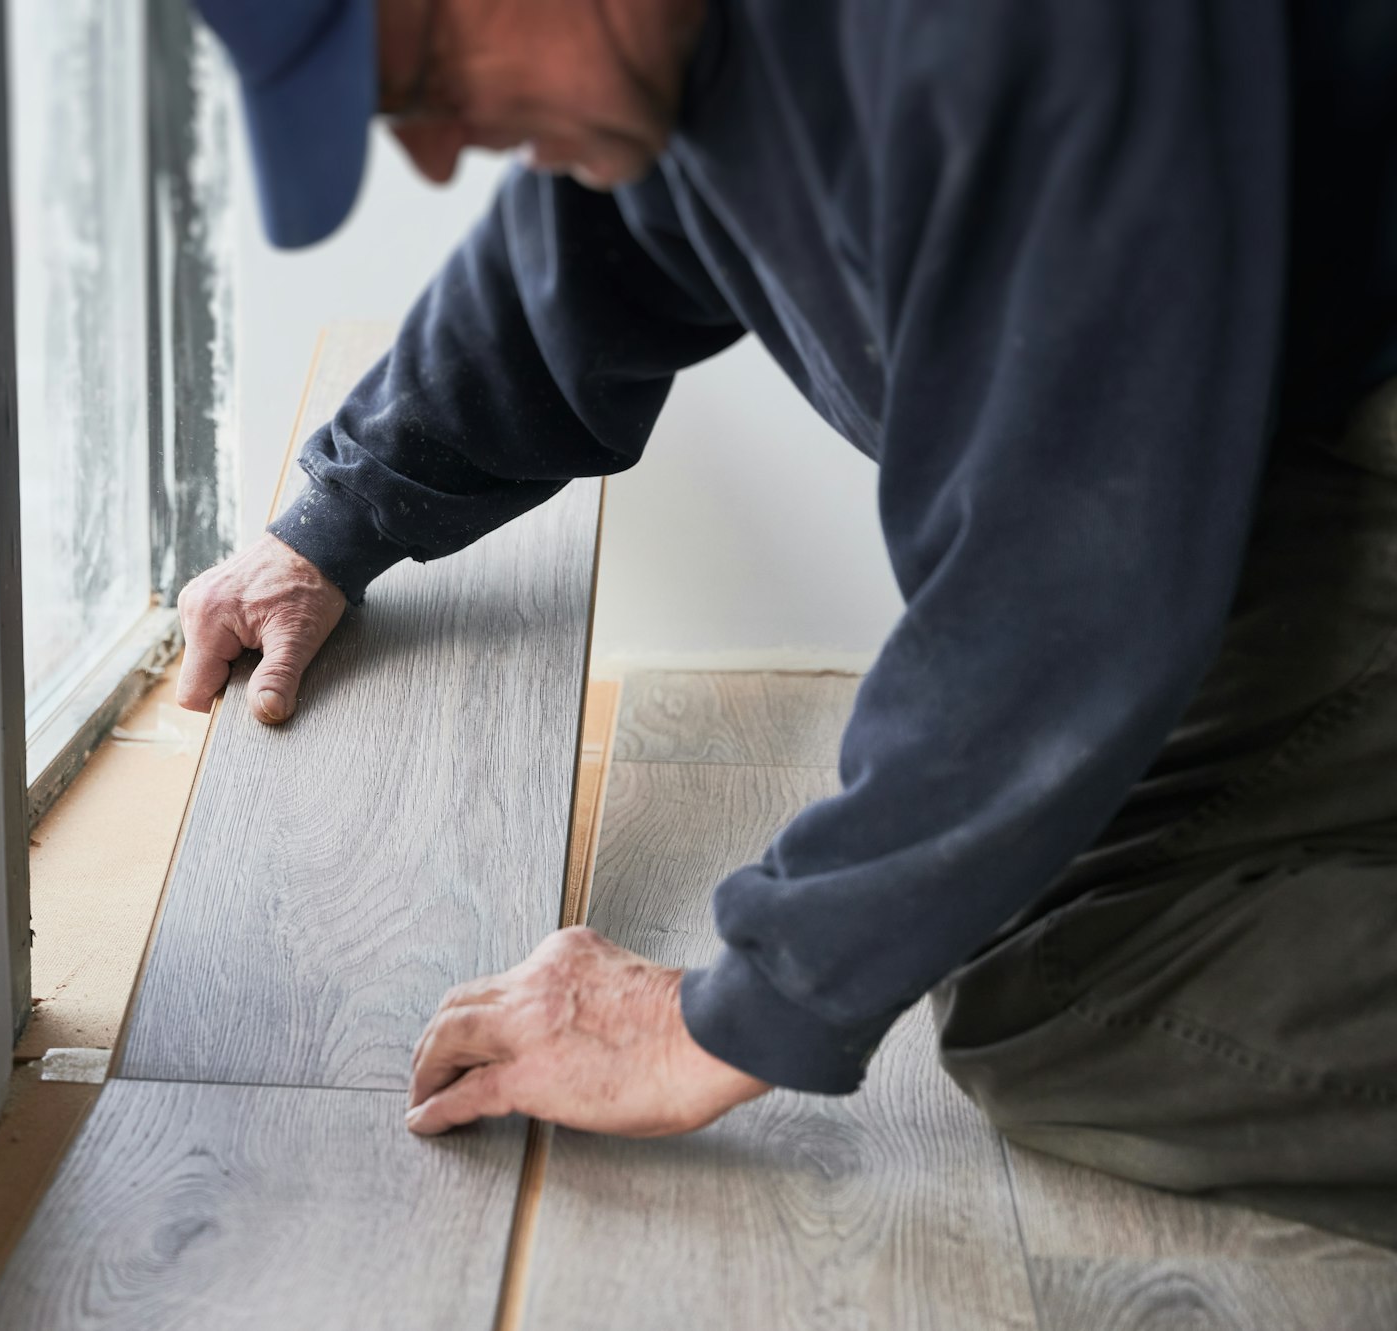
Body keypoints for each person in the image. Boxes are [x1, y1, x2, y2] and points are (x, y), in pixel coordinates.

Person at [181, 0, 1397, 1243]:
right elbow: (580, 258)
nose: (438, 154)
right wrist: (334, 521)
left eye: (427, 74)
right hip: (1236, 435)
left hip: (1326, 442)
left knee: (1057, 991)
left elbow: (1062, 565)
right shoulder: (674, 58)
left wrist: (719, 1013)